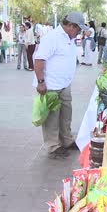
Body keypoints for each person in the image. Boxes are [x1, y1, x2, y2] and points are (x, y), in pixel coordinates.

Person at [33, 11, 87, 158]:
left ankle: (67, 140)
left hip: (64, 84)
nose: (79, 32)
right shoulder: (52, 37)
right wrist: (41, 82)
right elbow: (39, 60)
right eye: (78, 29)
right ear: (70, 25)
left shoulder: (69, 38)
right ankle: (53, 145)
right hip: (50, 85)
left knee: (66, 115)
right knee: (52, 117)